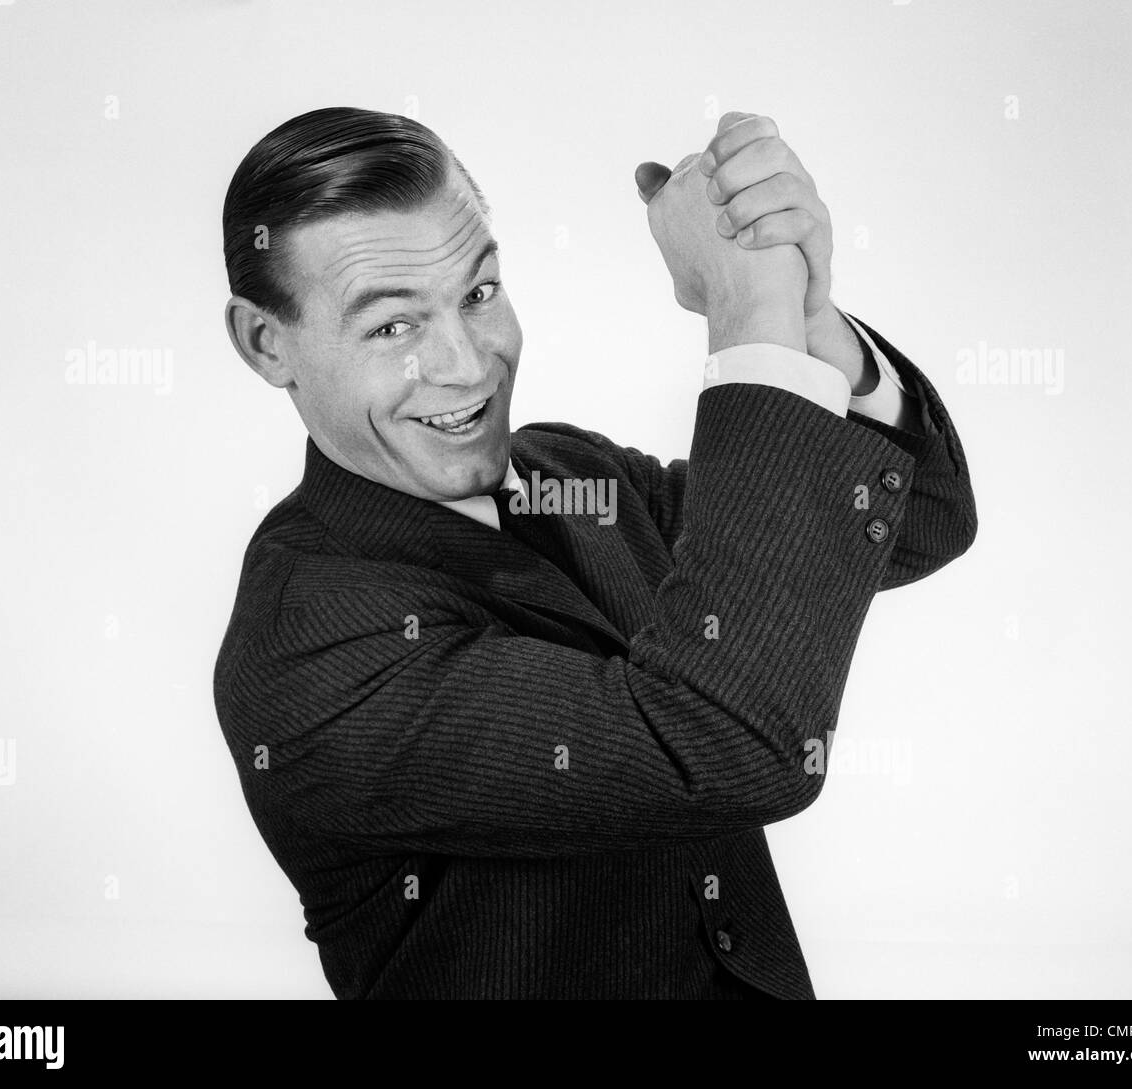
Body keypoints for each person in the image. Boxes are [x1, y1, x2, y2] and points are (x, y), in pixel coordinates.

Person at [214, 106, 977, 999]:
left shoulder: (573, 474)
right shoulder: (309, 646)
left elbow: (917, 515)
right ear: (267, 342)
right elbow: (733, 744)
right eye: (393, 328)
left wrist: (808, 319)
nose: (466, 363)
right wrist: (747, 312)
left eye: (479, 292)